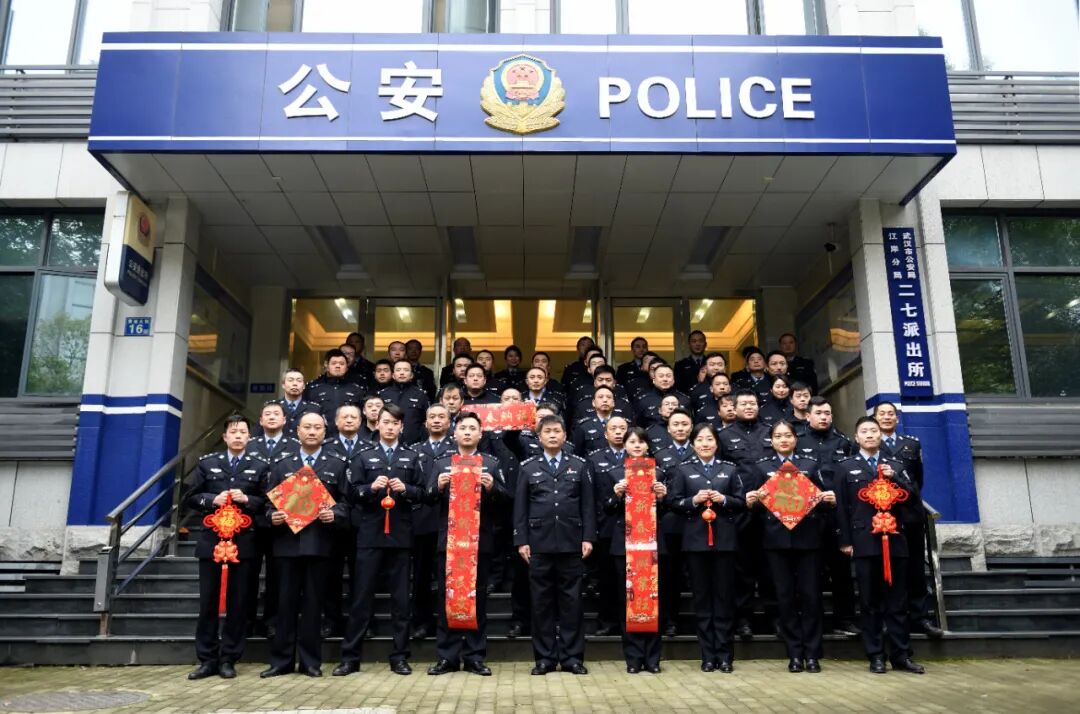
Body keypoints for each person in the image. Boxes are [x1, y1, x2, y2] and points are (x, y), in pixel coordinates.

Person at [335, 404, 425, 677]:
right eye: (385, 422)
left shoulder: (412, 456)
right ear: (378, 424)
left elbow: (424, 493)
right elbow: (350, 493)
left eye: (395, 423)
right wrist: (369, 489)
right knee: (361, 598)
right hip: (370, 535)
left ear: (401, 427)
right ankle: (350, 657)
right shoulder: (363, 456)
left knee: (401, 601)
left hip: (400, 536)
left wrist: (406, 489)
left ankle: (400, 656)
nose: (389, 427)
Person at [260, 411, 350, 678]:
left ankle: (311, 662)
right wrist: (272, 516)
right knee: (284, 605)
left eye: (317, 428)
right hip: (286, 544)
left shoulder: (337, 464)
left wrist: (335, 514)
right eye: (307, 427)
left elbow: (347, 503)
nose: (312, 432)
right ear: (297, 431)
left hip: (320, 544)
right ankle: (281, 661)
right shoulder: (281, 463)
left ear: (325, 432)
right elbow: (266, 504)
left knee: (313, 605)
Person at [837, 416, 925, 675]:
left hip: (895, 540)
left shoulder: (895, 464)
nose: (869, 435)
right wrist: (845, 541)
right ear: (856, 438)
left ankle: (901, 655)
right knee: (869, 602)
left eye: (873, 431)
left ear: (880, 435)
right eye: (864, 431)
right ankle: (875, 655)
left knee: (897, 602)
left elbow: (913, 499)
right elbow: (841, 508)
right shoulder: (845, 467)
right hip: (864, 541)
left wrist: (894, 478)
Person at [744, 420, 833, 673]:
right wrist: (751, 501)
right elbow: (753, 507)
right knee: (784, 597)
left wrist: (829, 499)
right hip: (776, 541)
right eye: (778, 436)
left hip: (808, 539)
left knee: (811, 596)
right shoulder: (761, 466)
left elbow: (823, 499)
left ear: (796, 439)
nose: (783, 440)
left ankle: (812, 654)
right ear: (771, 441)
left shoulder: (810, 464)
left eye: (788, 435)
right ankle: (794, 653)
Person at [425, 412, 509, 676]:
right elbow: (426, 496)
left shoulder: (491, 463)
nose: (468, 432)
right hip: (449, 543)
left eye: (473, 428)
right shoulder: (442, 463)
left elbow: (507, 499)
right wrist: (437, 487)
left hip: (479, 542)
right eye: (463, 428)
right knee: (447, 599)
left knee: (477, 599)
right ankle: (447, 657)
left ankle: (475, 656)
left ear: (480, 434)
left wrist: (493, 488)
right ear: (455, 433)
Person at [185, 413, 268, 680]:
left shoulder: (260, 466)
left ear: (249, 437)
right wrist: (212, 499)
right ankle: (207, 659)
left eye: (242, 432)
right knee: (208, 602)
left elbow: (268, 502)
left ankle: (229, 657)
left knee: (239, 602)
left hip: (244, 543)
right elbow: (190, 497)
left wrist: (248, 500)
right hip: (212, 542)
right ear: (224, 436)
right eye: (233, 432)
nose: (238, 436)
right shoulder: (208, 463)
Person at [513, 415, 595, 675]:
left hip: (572, 542)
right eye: (547, 431)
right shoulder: (528, 467)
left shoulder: (579, 465)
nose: (552, 435)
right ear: (539, 437)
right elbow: (520, 508)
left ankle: (572, 658)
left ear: (565, 435)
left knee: (572, 603)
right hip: (539, 544)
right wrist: (521, 540)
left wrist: (588, 537)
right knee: (541, 604)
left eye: (556, 431)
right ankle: (545, 658)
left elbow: (588, 505)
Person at [667, 422, 745, 672]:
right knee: (701, 600)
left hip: (724, 543)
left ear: (717, 443)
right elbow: (673, 502)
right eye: (700, 440)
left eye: (709, 439)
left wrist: (724, 499)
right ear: (693, 444)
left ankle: (725, 655)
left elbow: (741, 502)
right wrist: (693, 500)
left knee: (724, 599)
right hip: (695, 542)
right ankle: (708, 655)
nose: (705, 444)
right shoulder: (683, 470)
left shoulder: (729, 469)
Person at [596, 427, 667, 673]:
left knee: (653, 598)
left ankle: (653, 658)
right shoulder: (614, 473)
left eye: (641, 442)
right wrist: (616, 495)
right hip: (624, 545)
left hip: (652, 543)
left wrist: (662, 497)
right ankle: (634, 658)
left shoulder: (660, 472)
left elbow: (670, 510)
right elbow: (605, 508)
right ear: (624, 445)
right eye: (632, 442)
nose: (637, 446)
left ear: (647, 446)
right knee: (628, 600)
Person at [873, 402, 944, 639]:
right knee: (887, 567)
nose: (886, 417)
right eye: (882, 414)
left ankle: (919, 617)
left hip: (910, 515)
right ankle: (891, 618)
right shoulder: (869, 443)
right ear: (874, 418)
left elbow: (917, 480)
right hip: (884, 516)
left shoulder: (911, 443)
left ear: (897, 418)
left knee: (915, 567)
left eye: (890, 414)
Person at [797, 396, 859, 636]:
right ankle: (815, 621)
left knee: (841, 570)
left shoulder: (844, 442)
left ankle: (845, 619)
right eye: (819, 413)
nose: (824, 417)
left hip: (837, 514)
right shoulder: (798, 441)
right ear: (808, 416)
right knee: (811, 572)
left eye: (827, 413)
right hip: (809, 515)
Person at [717, 389, 773, 639]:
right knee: (742, 569)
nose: (749, 407)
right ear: (734, 408)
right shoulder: (723, 436)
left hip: (772, 509)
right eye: (744, 404)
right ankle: (743, 619)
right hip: (740, 510)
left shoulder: (771, 432)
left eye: (753, 403)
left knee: (770, 567)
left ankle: (775, 617)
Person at [319, 404, 365, 638]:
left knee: (361, 577)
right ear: (335, 422)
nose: (349, 420)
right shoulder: (325, 447)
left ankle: (361, 623)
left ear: (361, 421)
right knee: (330, 576)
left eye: (353, 417)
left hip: (362, 521)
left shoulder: (369, 447)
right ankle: (331, 620)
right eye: (344, 417)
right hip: (331, 522)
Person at [410, 404, 455, 641]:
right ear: (426, 423)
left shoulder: (458, 449)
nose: (436, 420)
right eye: (432, 417)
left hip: (453, 521)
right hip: (422, 520)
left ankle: (450, 622)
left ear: (449, 423)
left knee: (449, 575)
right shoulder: (414, 451)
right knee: (421, 575)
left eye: (441, 417)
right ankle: (421, 621)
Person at [584, 416, 630, 637]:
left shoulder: (638, 457)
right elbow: (589, 497)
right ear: (605, 433)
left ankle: (631, 619)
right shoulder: (594, 459)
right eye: (614, 428)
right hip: (605, 526)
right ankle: (608, 621)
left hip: (634, 526)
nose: (619, 432)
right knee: (607, 578)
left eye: (623, 428)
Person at [652, 407, 695, 636]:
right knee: (670, 575)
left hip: (698, 520)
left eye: (684, 424)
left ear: (691, 427)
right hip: (671, 522)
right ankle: (670, 620)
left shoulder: (701, 449)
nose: (680, 428)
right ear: (668, 429)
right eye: (675, 424)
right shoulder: (659, 455)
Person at [305, 349, 366, 438]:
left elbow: (362, 417)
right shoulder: (313, 389)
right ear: (326, 365)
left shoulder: (356, 390)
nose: (338, 366)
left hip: (349, 437)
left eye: (342, 364)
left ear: (347, 367)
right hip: (321, 437)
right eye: (334, 363)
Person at [378, 359, 431, 446]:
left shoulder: (420, 395)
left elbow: (426, 421)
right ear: (393, 375)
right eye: (398, 370)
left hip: (414, 445)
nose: (402, 373)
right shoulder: (383, 394)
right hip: (387, 443)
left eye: (406, 370)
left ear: (411, 375)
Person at [264, 368, 320, 438]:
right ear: (283, 385)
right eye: (290, 380)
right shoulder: (271, 407)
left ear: (303, 386)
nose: (295, 384)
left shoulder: (314, 408)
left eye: (299, 381)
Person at [635, 363, 691, 429]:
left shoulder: (685, 399)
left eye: (668, 376)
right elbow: (638, 428)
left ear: (673, 379)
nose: (665, 379)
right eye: (661, 376)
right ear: (654, 380)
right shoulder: (643, 400)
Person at [674, 330, 709, 394]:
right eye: (694, 341)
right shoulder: (680, 365)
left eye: (700, 341)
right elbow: (677, 388)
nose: (697, 344)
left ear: (705, 344)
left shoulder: (711, 363)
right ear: (689, 345)